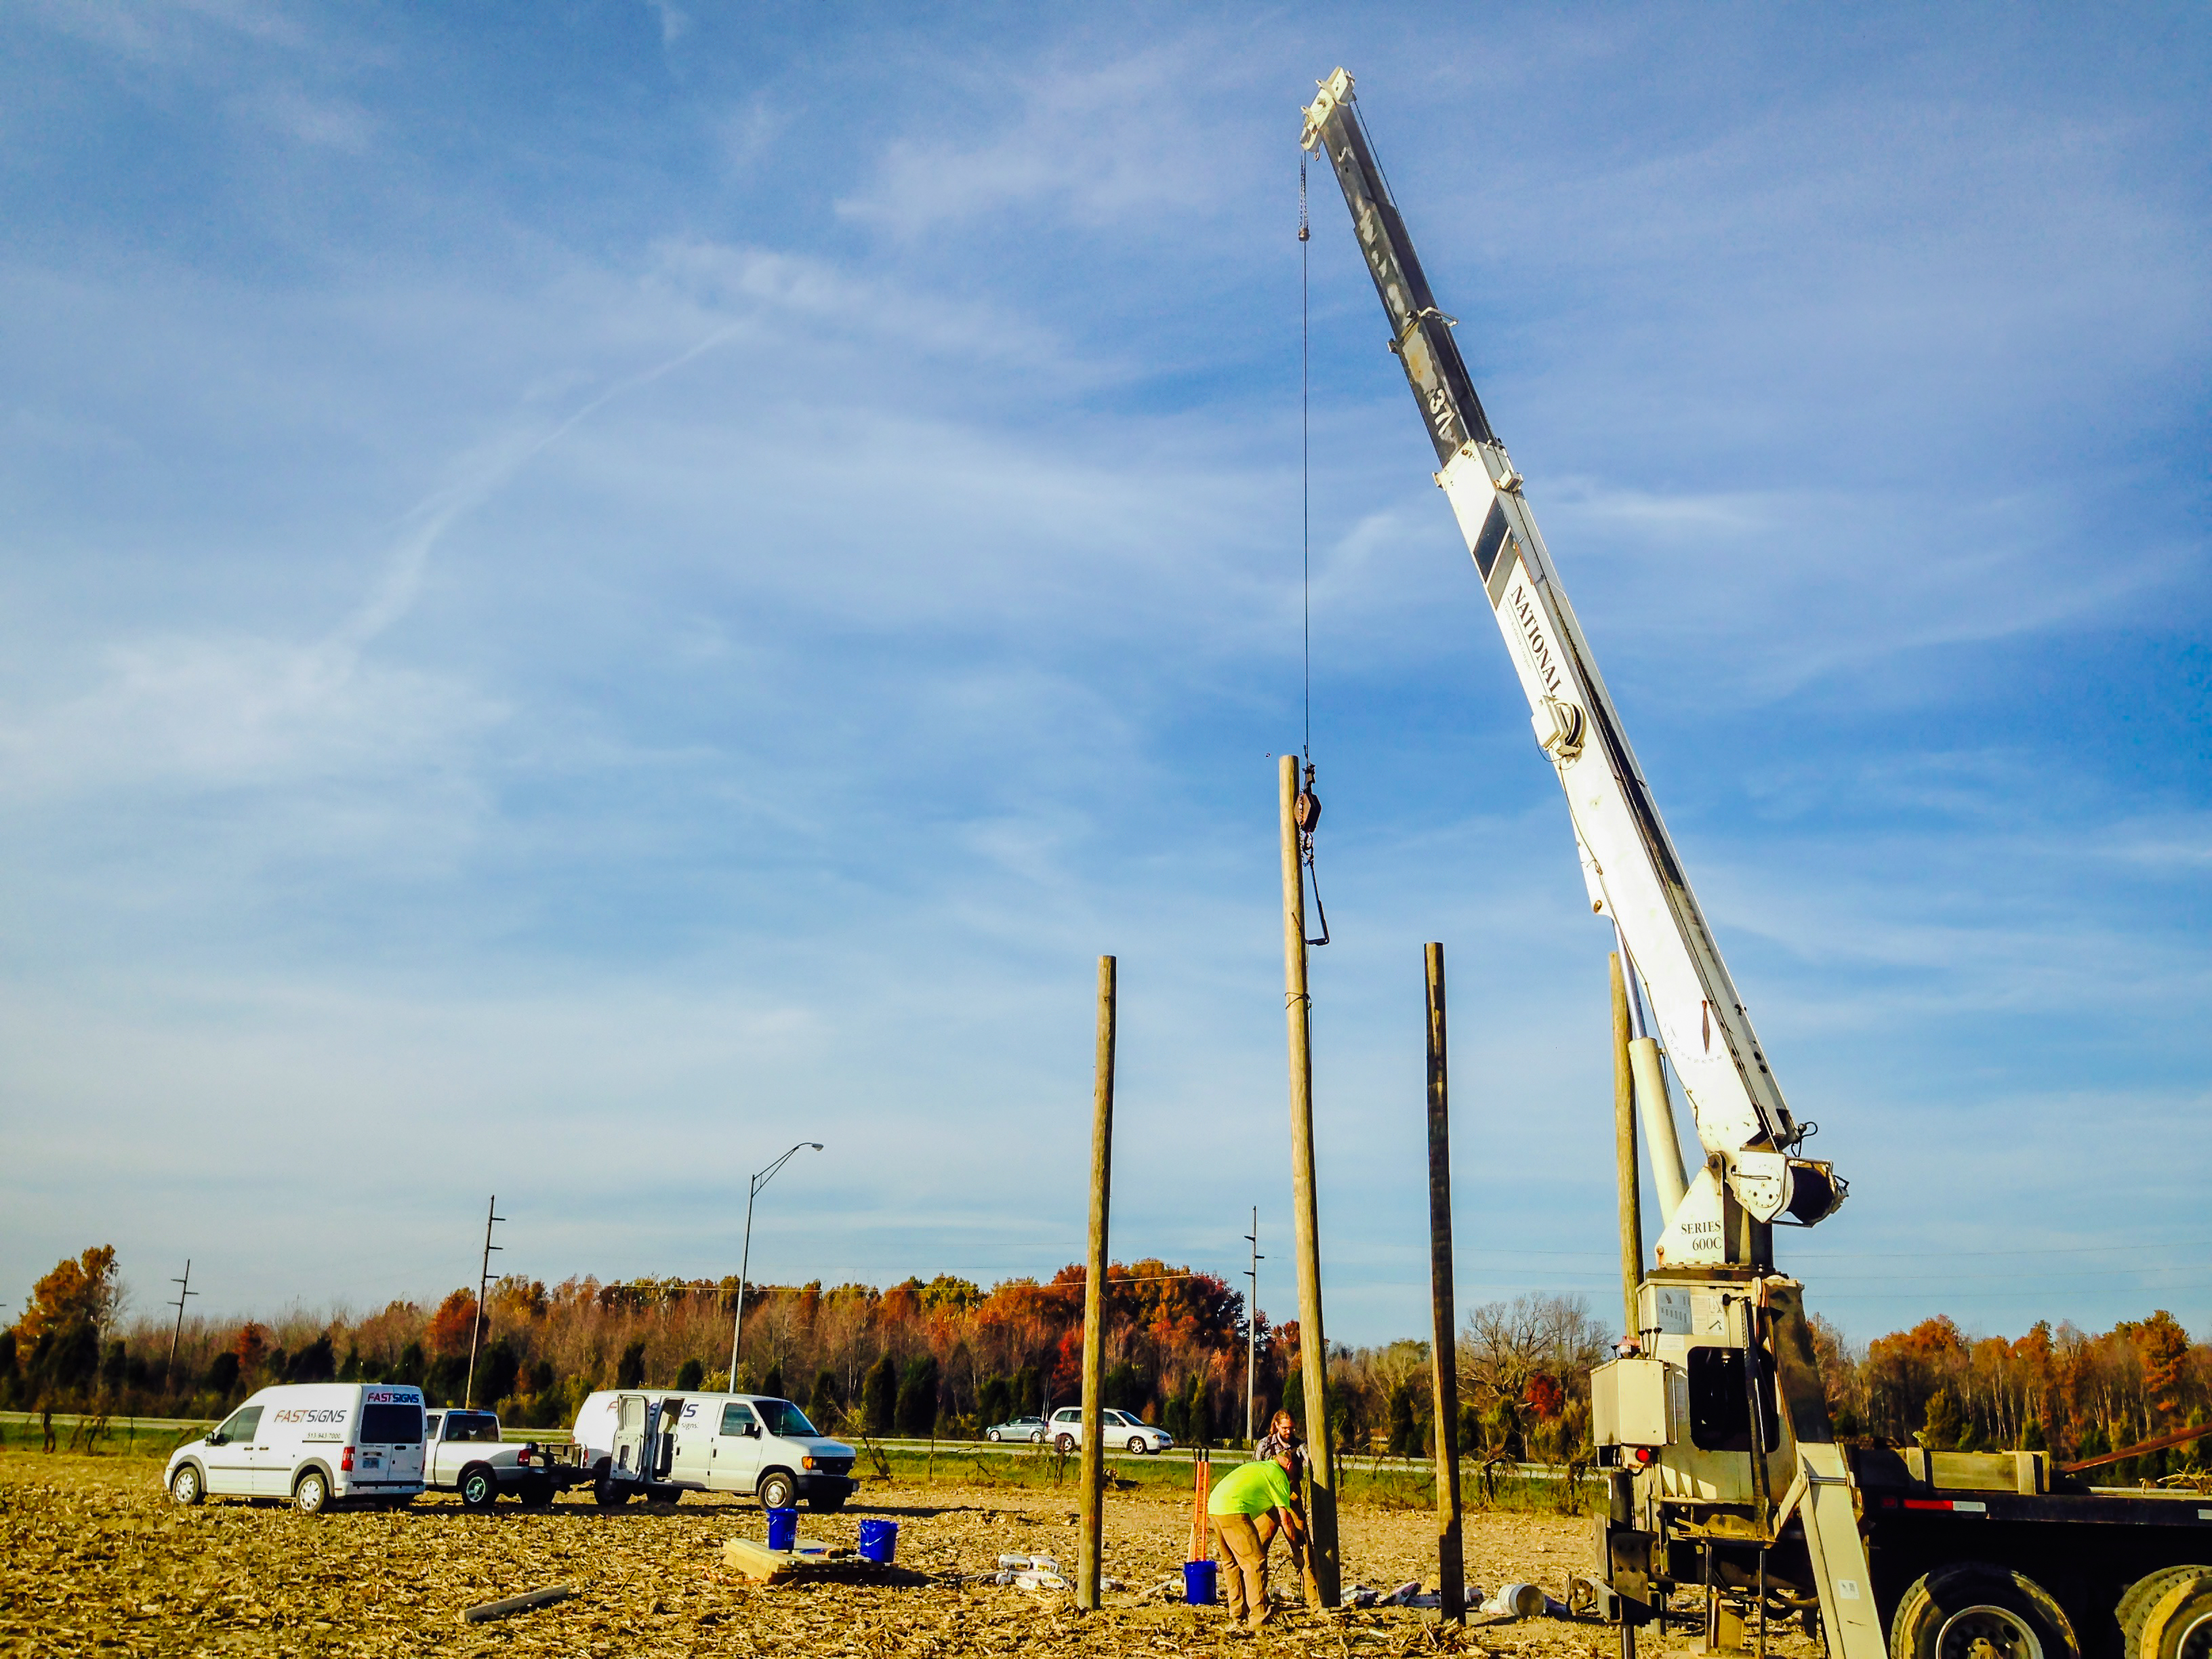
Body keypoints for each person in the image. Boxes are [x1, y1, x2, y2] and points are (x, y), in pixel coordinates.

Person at [1208, 1441, 1306, 1631]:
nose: (1294, 1481)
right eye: (1295, 1476)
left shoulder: (1264, 1467)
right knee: (1255, 1562)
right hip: (1234, 1509)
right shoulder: (1278, 1476)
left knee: (1232, 1563)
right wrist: (1297, 1553)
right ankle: (1260, 1619)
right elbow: (1285, 1520)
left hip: (1215, 1506)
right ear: (1290, 1466)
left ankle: (1238, 1613)